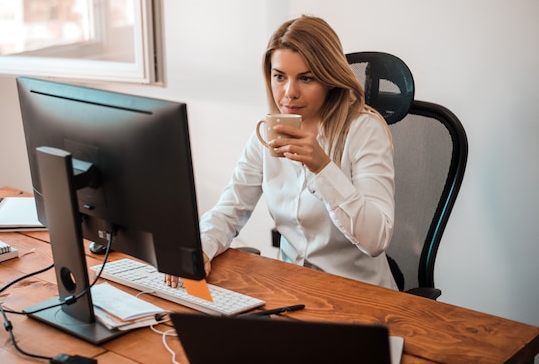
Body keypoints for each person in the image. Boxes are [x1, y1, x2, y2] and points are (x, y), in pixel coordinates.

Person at [165, 15, 397, 290]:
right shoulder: (267, 132)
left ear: (329, 79)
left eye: (306, 78)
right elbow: (230, 209)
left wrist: (322, 168)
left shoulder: (364, 131)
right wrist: (201, 248)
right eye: (279, 77)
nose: (289, 92)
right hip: (292, 286)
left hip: (358, 291)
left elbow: (376, 240)